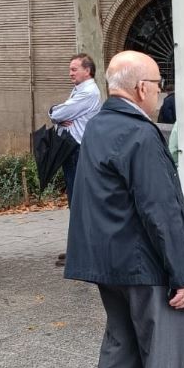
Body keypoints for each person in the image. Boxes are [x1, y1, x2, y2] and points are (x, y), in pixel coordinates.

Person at [64, 51, 184, 368]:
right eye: (159, 84)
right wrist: (183, 275)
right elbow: (162, 213)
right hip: (146, 269)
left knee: (120, 355)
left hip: (110, 268)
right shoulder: (140, 135)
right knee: (162, 362)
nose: (160, 93)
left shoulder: (99, 126)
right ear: (142, 88)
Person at [49, 53, 102, 266]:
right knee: (75, 200)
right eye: (70, 69)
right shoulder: (80, 90)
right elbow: (62, 116)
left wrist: (55, 112)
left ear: (87, 70)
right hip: (73, 151)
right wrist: (60, 117)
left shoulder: (88, 92)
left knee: (79, 201)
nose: (70, 73)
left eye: (74, 69)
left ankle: (82, 252)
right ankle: (78, 248)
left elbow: (59, 113)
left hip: (78, 150)